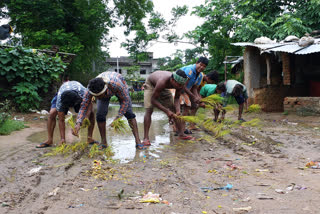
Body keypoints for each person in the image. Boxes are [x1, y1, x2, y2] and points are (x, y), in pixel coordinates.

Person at [72, 72, 143, 149]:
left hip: (120, 88)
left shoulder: (116, 84)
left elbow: (125, 101)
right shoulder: (89, 89)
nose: (97, 98)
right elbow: (84, 107)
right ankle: (104, 143)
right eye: (96, 96)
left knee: (129, 113)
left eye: (99, 96)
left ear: (104, 90)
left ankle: (138, 141)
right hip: (104, 90)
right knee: (100, 115)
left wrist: (118, 117)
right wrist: (78, 122)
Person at [36, 81, 96, 148]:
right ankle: (50, 140)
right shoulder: (60, 101)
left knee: (92, 113)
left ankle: (89, 138)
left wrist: (85, 118)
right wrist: (63, 139)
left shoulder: (84, 93)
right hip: (63, 93)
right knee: (52, 114)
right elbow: (61, 119)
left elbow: (89, 105)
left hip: (77, 95)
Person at [143, 69, 192, 145]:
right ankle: (146, 138)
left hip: (163, 88)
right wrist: (167, 111)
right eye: (179, 85)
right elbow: (153, 100)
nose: (180, 87)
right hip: (151, 84)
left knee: (174, 110)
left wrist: (178, 110)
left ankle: (181, 134)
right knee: (149, 109)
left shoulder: (180, 84)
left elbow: (176, 98)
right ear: (172, 80)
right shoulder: (162, 82)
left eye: (182, 85)